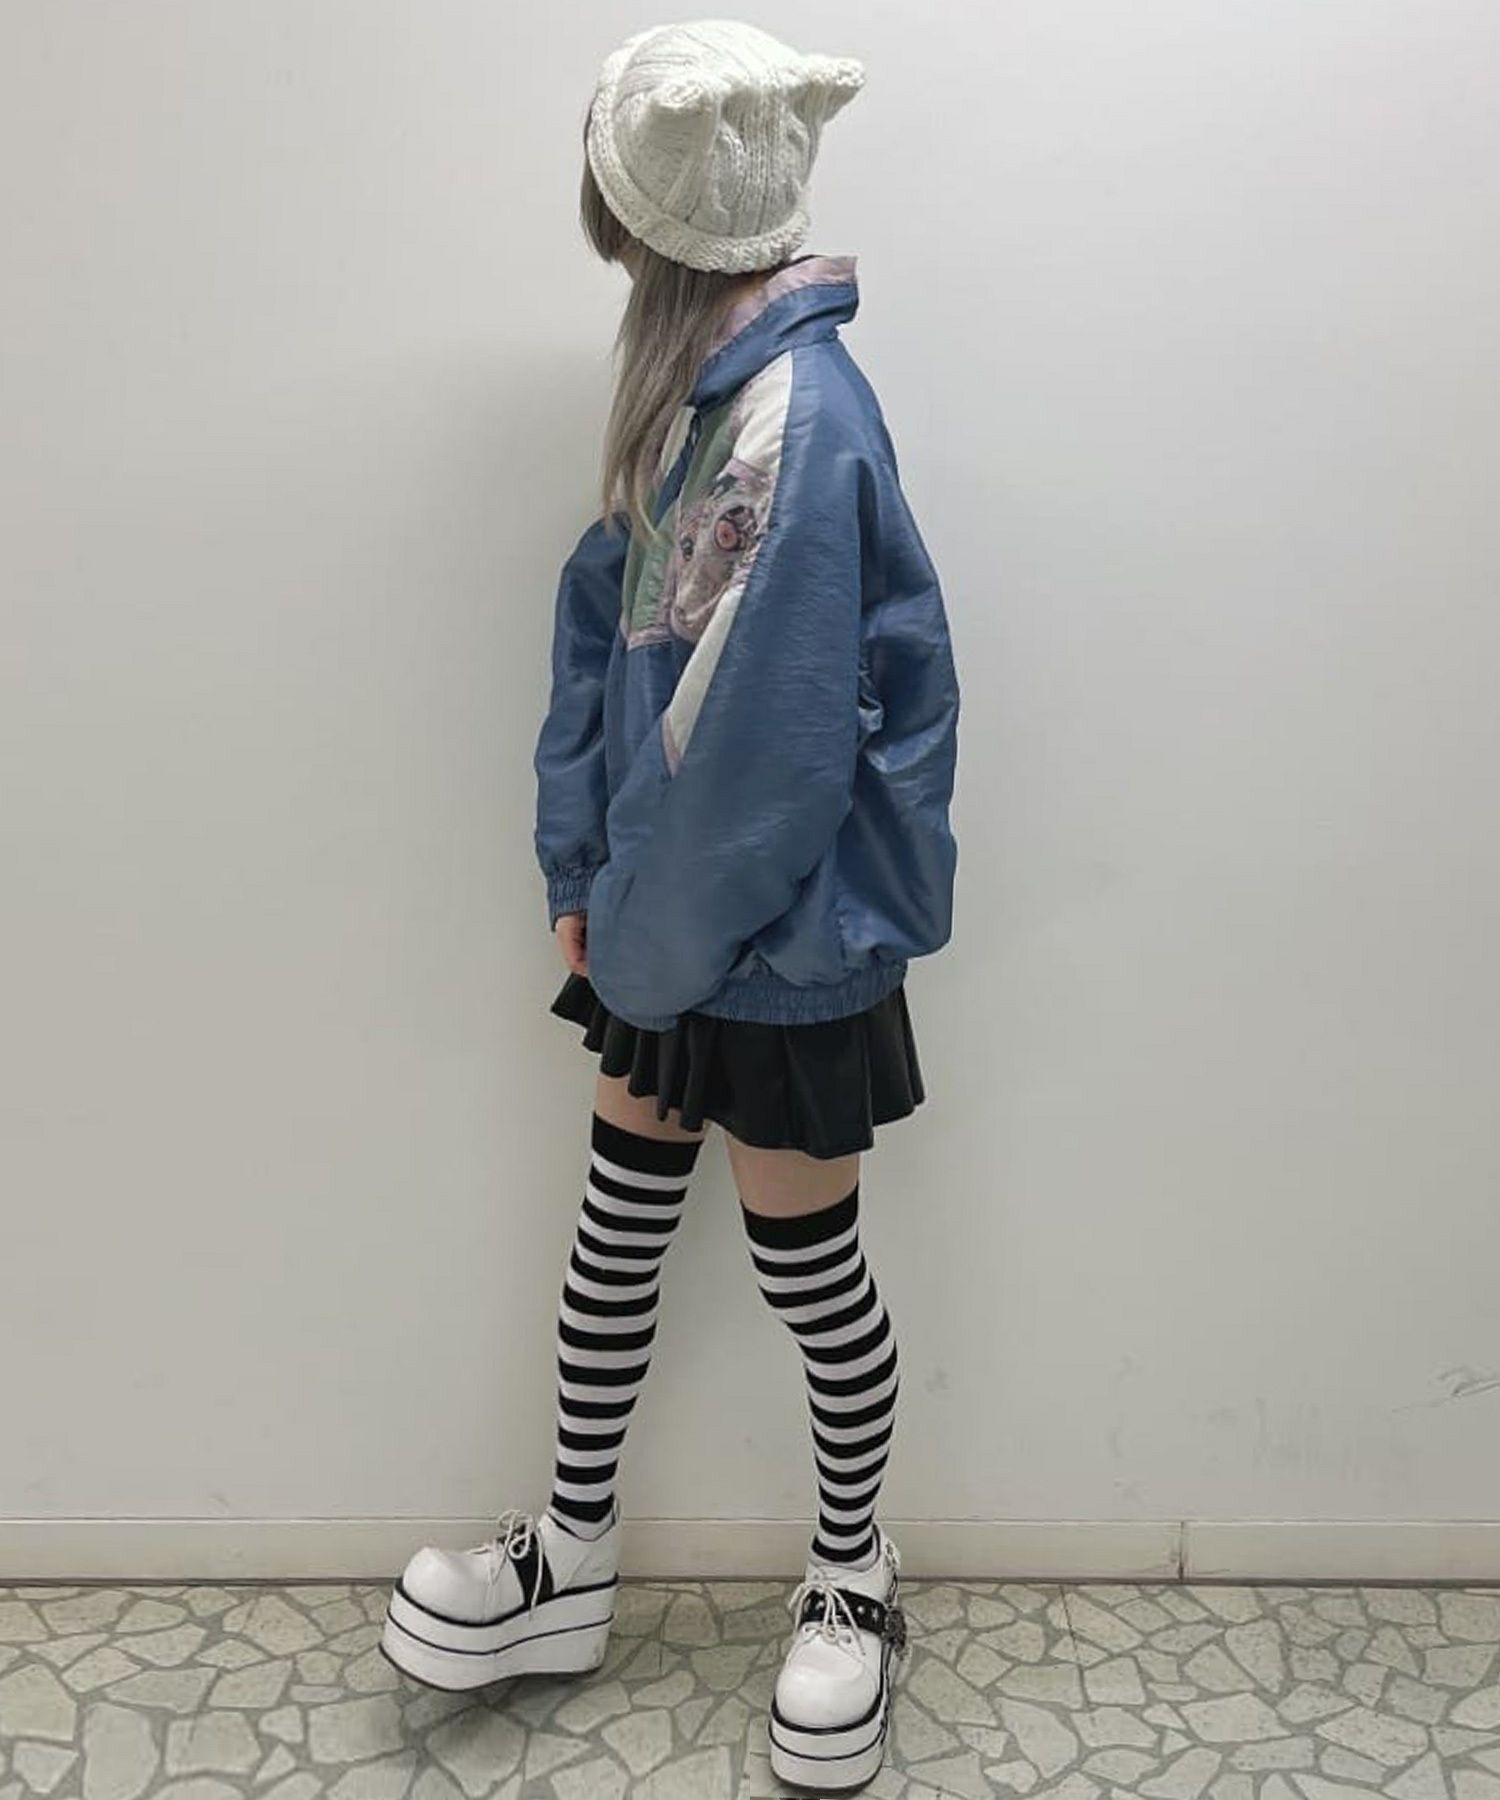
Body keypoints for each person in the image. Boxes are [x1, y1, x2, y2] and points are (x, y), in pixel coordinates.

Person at [381, 19, 959, 1793]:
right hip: (664, 911)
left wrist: (629, 916)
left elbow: (769, 756)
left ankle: (854, 1576)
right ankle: (570, 1554)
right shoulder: (700, 398)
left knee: (806, 1261)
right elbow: (597, 635)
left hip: (780, 935)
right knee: (619, 1229)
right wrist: (580, 869)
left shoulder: (800, 421)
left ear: (659, 226)